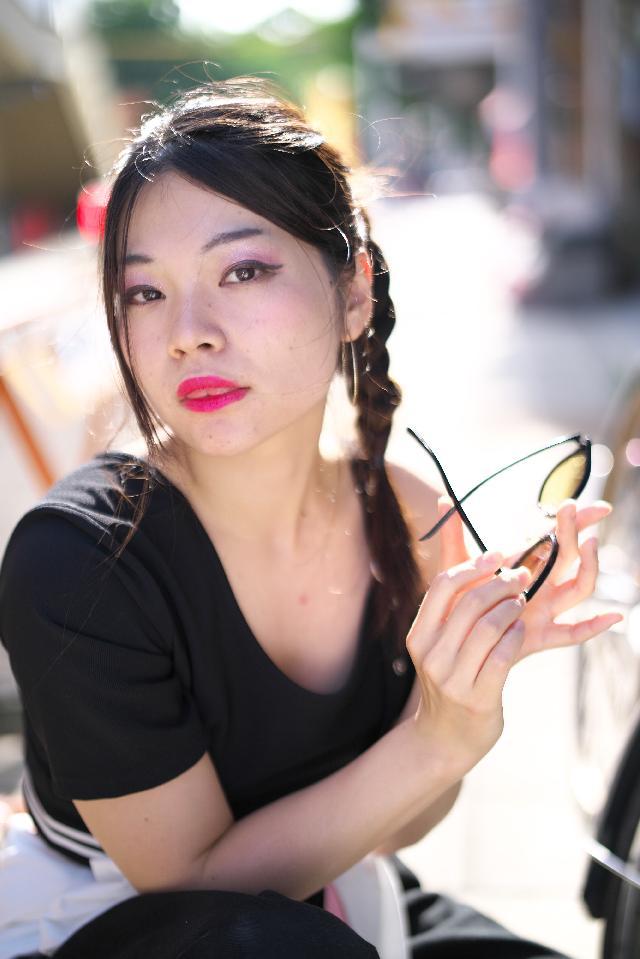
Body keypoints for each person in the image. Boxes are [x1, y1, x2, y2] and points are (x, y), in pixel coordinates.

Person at [0, 77, 621, 958]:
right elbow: (195, 898)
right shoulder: (79, 561)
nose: (188, 332)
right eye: (144, 292)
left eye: (243, 270)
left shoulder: (410, 516)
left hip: (336, 898)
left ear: (354, 292)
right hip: (116, 923)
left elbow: (399, 824)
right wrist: (436, 737)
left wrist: (465, 688)